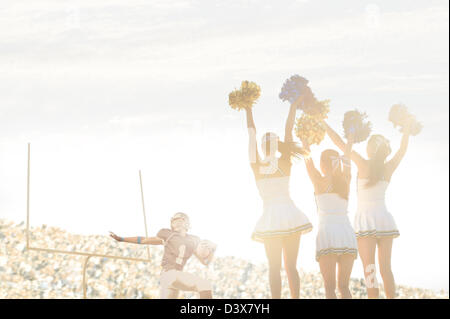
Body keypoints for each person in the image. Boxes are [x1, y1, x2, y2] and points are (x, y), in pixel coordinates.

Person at [324, 118, 413, 299]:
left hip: (366, 222)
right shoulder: (388, 167)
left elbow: (338, 142)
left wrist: (322, 121)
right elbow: (402, 150)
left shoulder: (362, 163)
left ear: (371, 149)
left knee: (369, 269)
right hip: (384, 220)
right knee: (386, 269)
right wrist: (407, 127)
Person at [243, 94, 312, 299]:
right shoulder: (285, 162)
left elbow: (251, 134)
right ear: (278, 145)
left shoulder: (256, 165)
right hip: (290, 214)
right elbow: (288, 131)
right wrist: (293, 106)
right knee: (291, 266)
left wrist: (248, 109)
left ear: (263, 147)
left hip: (271, 218)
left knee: (274, 267)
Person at [110, 212, 216, 299]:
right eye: (174, 220)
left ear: (186, 222)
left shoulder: (193, 240)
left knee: (203, 285)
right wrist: (122, 239)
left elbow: (205, 262)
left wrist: (212, 251)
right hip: (169, 274)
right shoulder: (168, 234)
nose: (175, 222)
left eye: (178, 220)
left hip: (173, 279)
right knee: (204, 284)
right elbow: (143, 240)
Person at [302, 135, 357, 298]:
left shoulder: (318, 181)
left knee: (329, 288)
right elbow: (347, 158)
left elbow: (308, 161)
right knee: (344, 287)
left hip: (327, 234)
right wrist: (349, 143)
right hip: (346, 234)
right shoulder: (346, 180)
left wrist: (305, 142)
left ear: (323, 165)